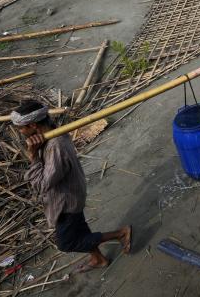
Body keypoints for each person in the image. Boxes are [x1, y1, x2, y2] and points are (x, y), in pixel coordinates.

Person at [13, 100, 131, 272]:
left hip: (66, 202)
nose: (20, 132)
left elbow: (42, 184)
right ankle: (98, 259)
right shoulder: (51, 134)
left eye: (21, 128)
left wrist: (33, 157)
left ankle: (120, 233)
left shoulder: (56, 146)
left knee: (67, 243)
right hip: (71, 194)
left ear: (32, 125)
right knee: (81, 232)